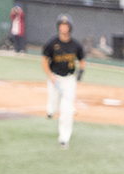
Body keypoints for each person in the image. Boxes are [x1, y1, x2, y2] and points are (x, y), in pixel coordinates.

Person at [43, 15, 85, 148]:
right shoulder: (52, 43)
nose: (63, 28)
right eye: (61, 25)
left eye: (66, 25)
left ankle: (64, 138)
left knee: (67, 109)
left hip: (69, 80)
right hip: (55, 79)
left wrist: (81, 71)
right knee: (53, 106)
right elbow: (44, 60)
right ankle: (50, 111)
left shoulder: (75, 44)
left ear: (70, 28)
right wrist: (50, 75)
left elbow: (82, 58)